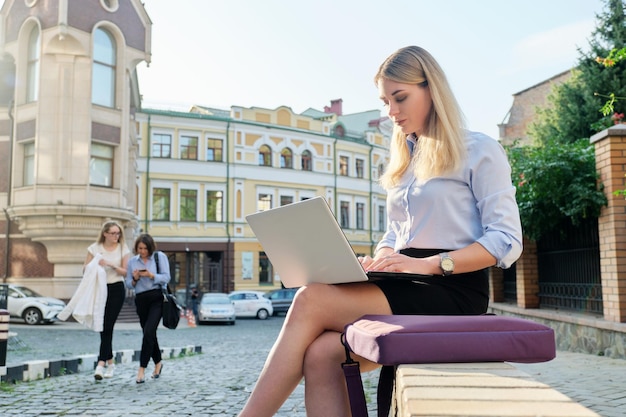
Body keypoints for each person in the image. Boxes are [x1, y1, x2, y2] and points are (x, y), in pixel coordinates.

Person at [237, 45, 523, 417]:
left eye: (400, 97)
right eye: (386, 101)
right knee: (322, 353)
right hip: (404, 281)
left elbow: (507, 240)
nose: (391, 112)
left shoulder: (480, 150)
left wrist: (431, 264)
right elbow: (395, 233)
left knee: (310, 299)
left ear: (431, 89)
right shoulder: (404, 162)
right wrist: (384, 255)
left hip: (454, 288)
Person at [85, 221, 130, 381]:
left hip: (116, 288)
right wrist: (95, 264)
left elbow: (126, 272)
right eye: (113, 233)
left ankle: (101, 363)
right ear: (105, 233)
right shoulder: (94, 248)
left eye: (118, 233)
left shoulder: (123, 248)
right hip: (99, 288)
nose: (116, 236)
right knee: (102, 325)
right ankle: (110, 362)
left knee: (108, 325)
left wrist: (110, 264)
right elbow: (85, 269)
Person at [125, 233, 171, 383]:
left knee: (149, 331)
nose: (142, 251)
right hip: (141, 300)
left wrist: (151, 275)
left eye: (145, 248)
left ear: (150, 248)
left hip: (156, 297)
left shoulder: (159, 257)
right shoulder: (133, 261)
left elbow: (166, 277)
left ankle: (141, 369)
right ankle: (158, 363)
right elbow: (127, 283)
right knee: (149, 333)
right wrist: (135, 278)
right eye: (140, 248)